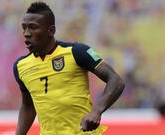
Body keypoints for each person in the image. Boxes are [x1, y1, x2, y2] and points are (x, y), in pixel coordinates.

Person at [13, 2, 125, 135]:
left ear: (51, 30)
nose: (26, 33)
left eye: (33, 28)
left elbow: (116, 80)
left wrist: (96, 111)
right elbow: (28, 106)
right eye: (24, 28)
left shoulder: (77, 52)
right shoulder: (21, 66)